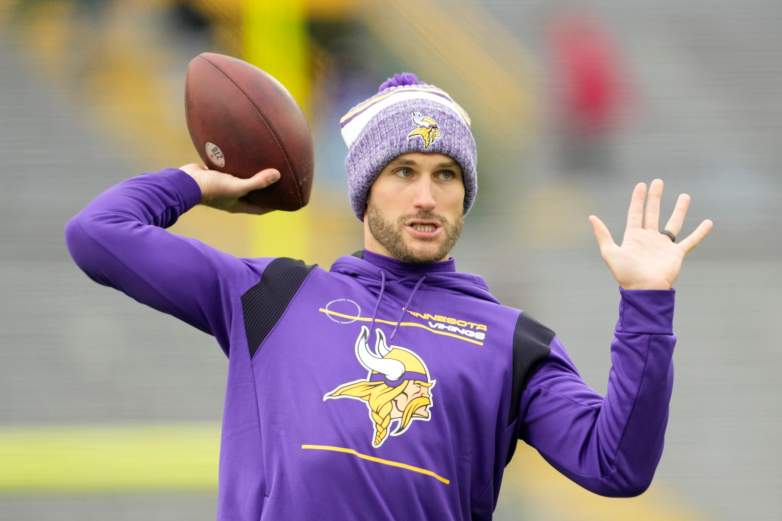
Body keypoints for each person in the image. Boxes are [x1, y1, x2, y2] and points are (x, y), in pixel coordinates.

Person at [64, 72, 713, 521]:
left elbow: (617, 464)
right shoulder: (270, 295)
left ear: (466, 194)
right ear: (366, 191)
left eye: (446, 175)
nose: (426, 196)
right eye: (403, 172)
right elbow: (97, 235)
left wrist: (646, 304)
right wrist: (194, 183)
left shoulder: (512, 345)